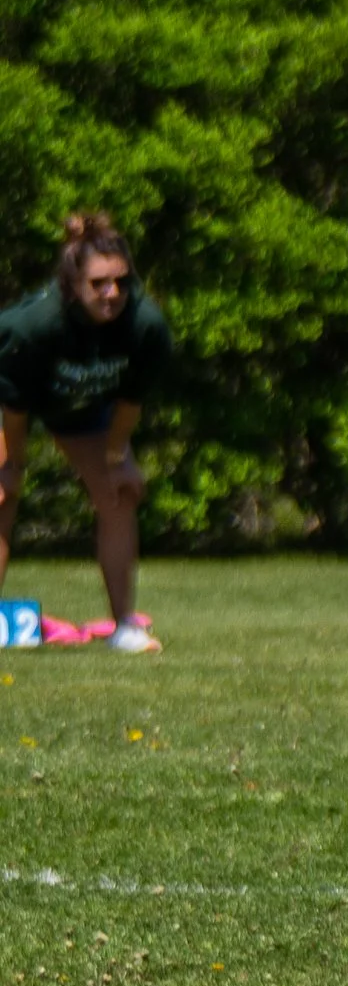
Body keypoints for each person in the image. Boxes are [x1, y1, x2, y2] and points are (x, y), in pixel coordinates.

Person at [0, 214, 171, 655]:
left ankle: (124, 628)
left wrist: (117, 458)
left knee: (120, 493)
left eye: (120, 281)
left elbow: (130, 402)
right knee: (1, 494)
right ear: (71, 285)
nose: (112, 294)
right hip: (8, 402)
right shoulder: (32, 327)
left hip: (77, 402)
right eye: (98, 284)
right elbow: (14, 409)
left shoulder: (145, 326)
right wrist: (12, 465)